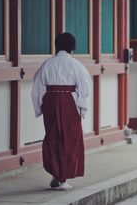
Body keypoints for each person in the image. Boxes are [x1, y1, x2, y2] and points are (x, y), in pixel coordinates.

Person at [31, 32, 92, 191]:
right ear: (73, 48)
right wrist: (80, 106)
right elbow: (85, 89)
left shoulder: (47, 64)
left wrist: (41, 107)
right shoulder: (77, 65)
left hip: (50, 101)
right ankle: (61, 178)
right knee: (70, 139)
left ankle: (56, 175)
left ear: (56, 46)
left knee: (53, 138)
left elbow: (37, 87)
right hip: (69, 102)